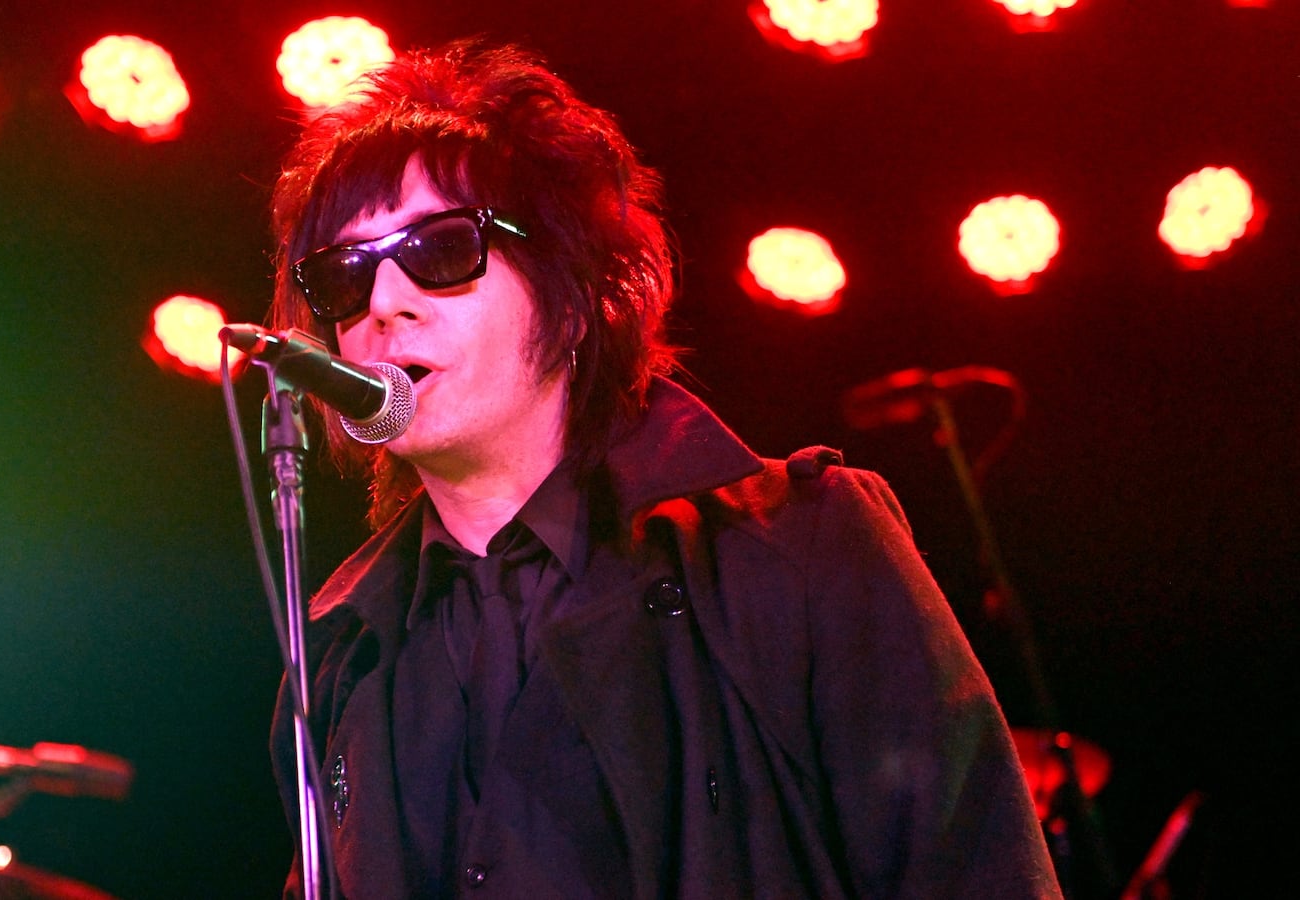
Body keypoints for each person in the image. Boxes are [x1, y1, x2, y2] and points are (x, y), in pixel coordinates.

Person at [265, 40, 1059, 898]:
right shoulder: (340, 653)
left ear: (573, 293)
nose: (384, 303)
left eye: (442, 249)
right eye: (344, 275)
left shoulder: (801, 549)